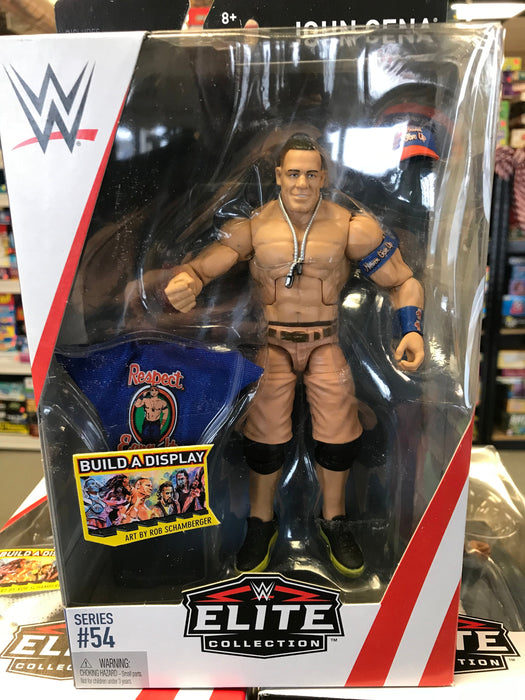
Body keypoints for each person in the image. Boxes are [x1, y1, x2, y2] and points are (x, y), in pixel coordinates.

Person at [164, 133, 424, 576]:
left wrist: (411, 330)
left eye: (310, 174)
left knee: (339, 432)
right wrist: (185, 282)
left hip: (325, 343)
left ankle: (334, 520)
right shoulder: (252, 227)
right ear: (279, 176)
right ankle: (260, 522)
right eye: (293, 174)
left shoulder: (350, 227)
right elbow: (202, 268)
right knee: (264, 437)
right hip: (274, 345)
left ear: (323, 177)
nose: (302, 183)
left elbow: (403, 280)